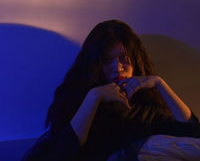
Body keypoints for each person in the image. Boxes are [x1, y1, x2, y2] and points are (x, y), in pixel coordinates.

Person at [21, 19, 200, 161]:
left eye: (123, 58)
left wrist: (160, 84)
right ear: (96, 64)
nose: (117, 67)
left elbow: (192, 133)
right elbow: (62, 153)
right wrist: (94, 97)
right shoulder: (77, 99)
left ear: (135, 60)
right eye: (108, 60)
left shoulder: (144, 104)